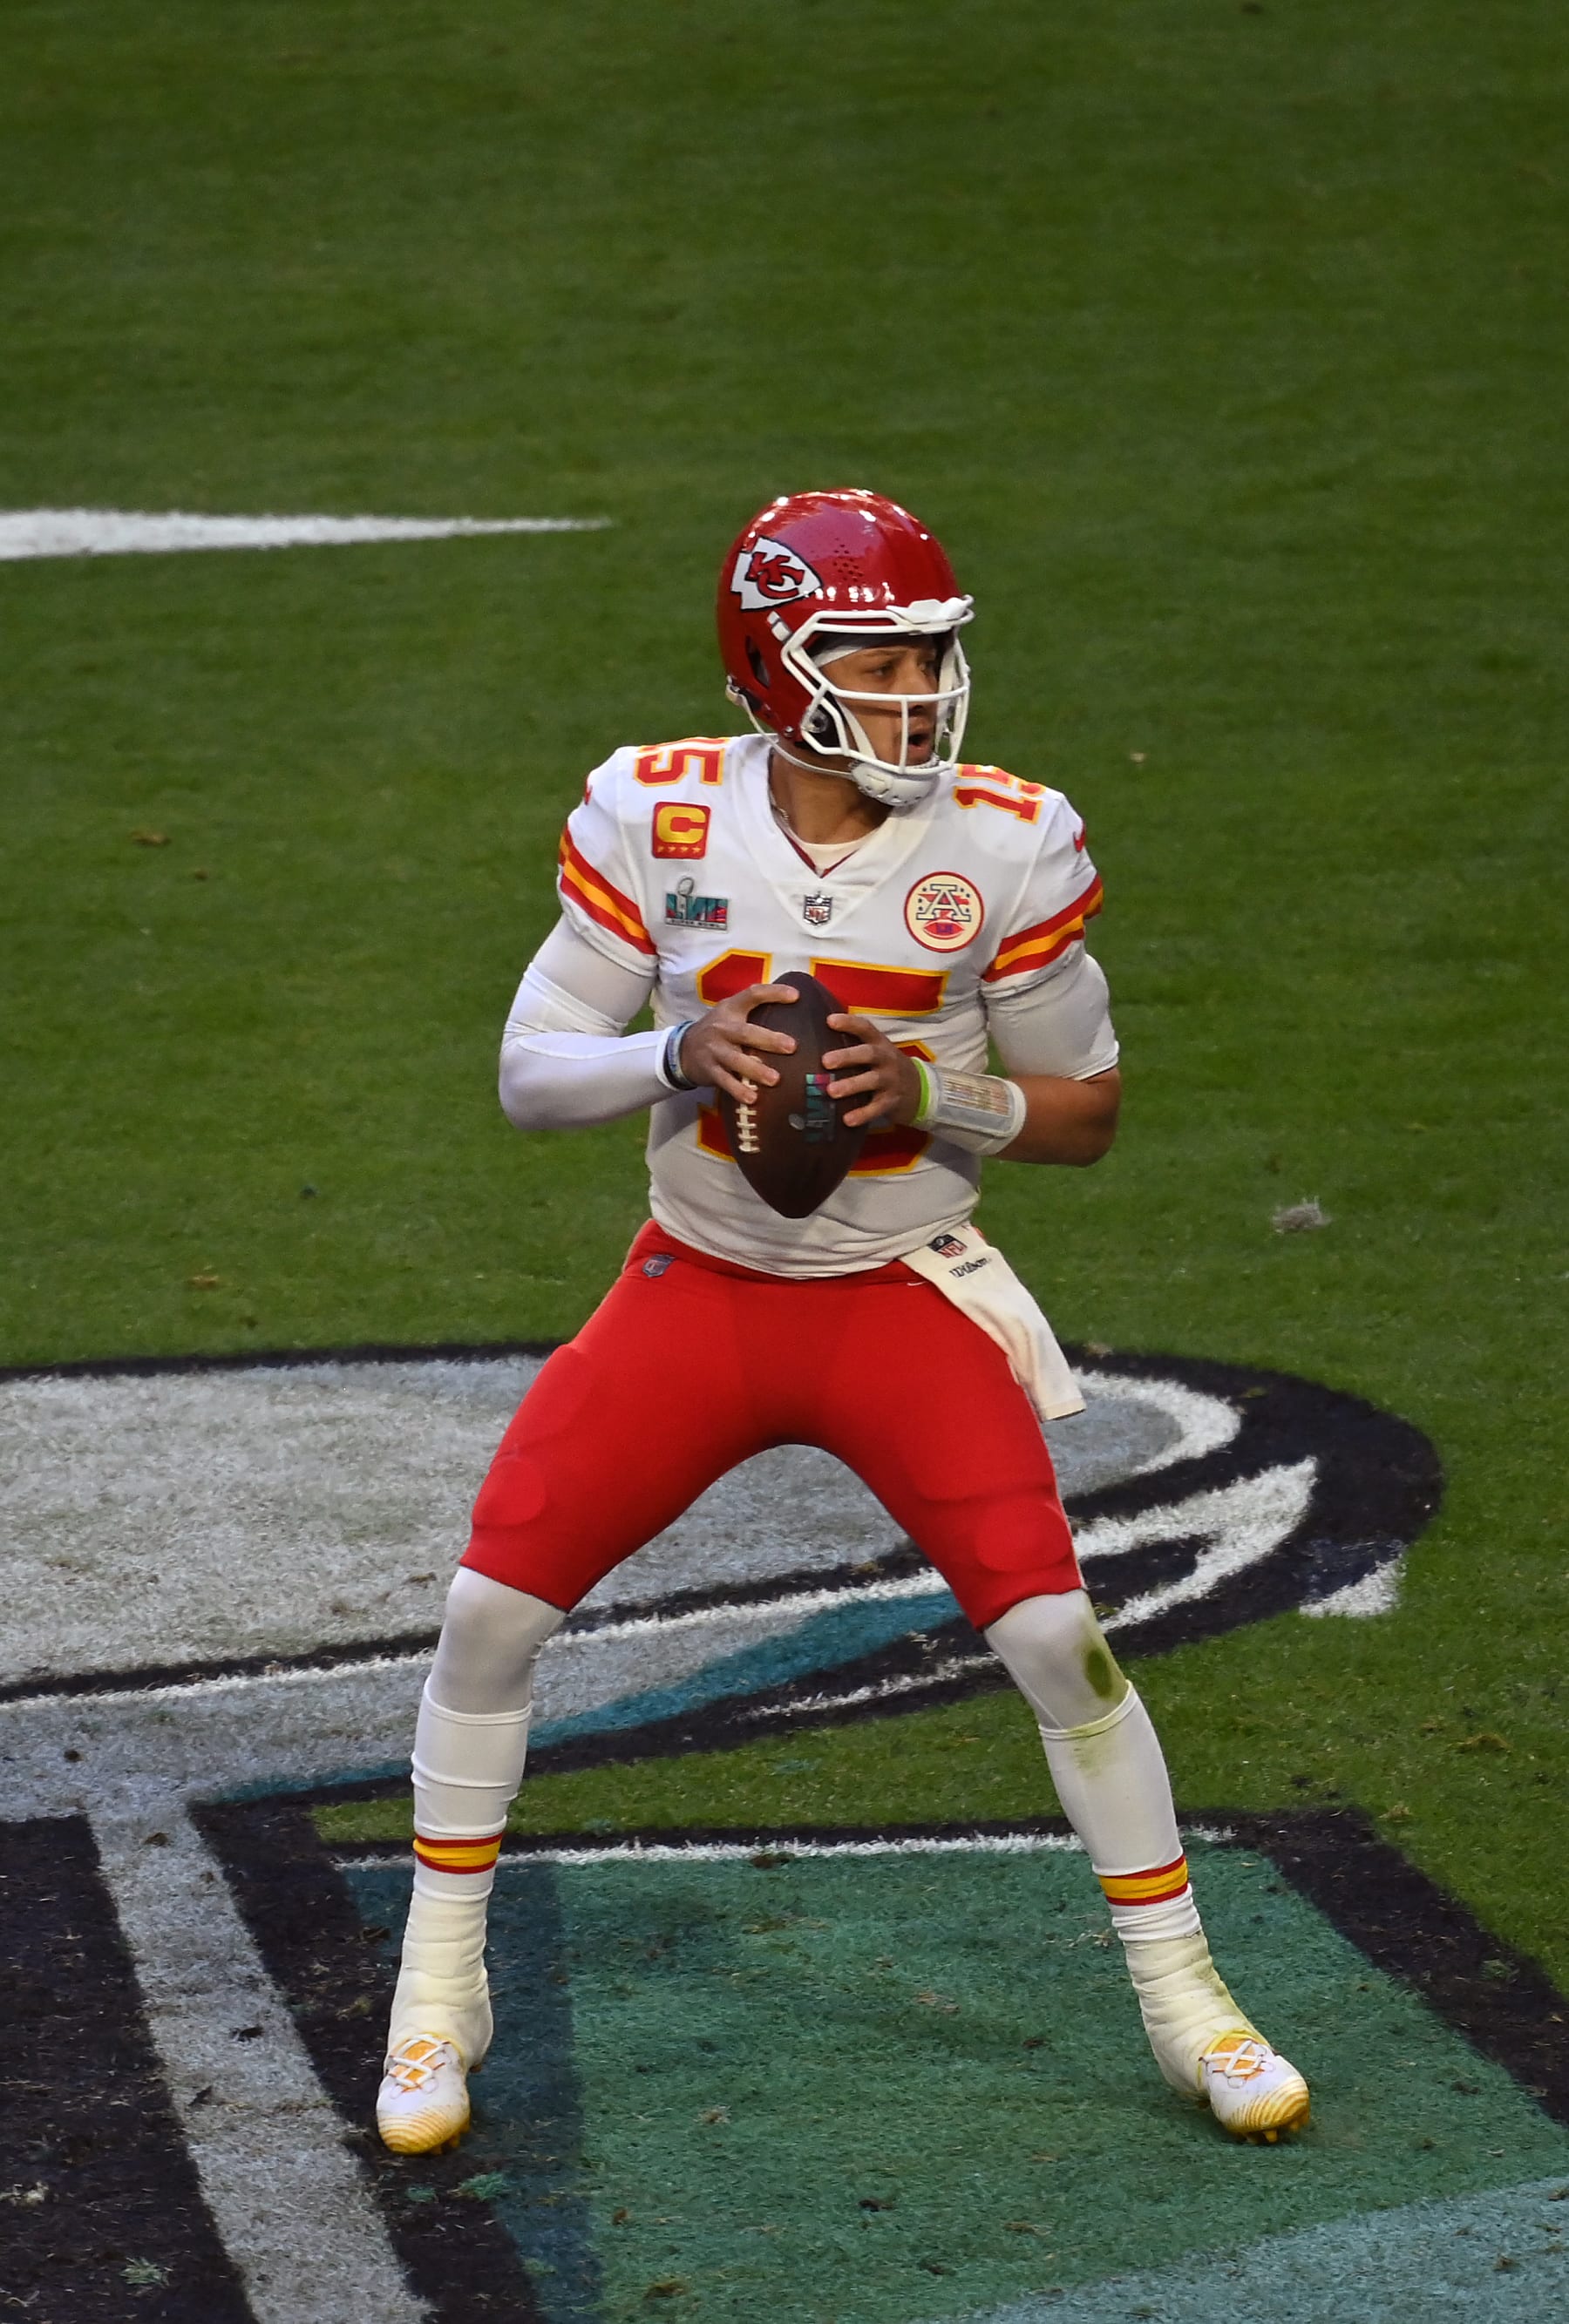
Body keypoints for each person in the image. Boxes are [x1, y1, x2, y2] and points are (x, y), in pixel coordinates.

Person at [374, 488, 1310, 2156]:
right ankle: (439, 1993)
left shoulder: (1007, 836)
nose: (916, 695)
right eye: (875, 660)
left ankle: (1189, 1997)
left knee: (1051, 1638)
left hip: (898, 1293)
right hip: (699, 1293)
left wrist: (942, 1092)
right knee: (490, 1611)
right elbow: (528, 1075)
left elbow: (1087, 1108)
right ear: (773, 668)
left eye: (929, 657)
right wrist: (678, 1051)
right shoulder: (655, 812)